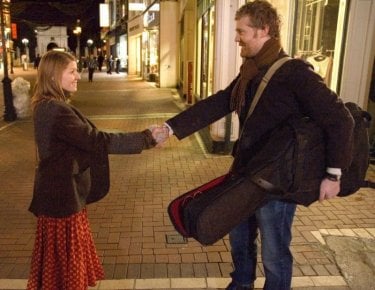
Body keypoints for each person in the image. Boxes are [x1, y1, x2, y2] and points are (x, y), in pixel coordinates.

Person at [160, 1, 354, 289]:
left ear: (264, 30)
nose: (236, 37)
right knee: (240, 238)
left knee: (274, 252)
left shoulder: (295, 73)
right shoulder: (251, 70)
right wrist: (170, 127)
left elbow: (340, 118)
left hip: (276, 181)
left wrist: (333, 174)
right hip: (246, 174)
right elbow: (221, 102)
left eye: (241, 31)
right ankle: (241, 283)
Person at [26, 50, 165, 289]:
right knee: (65, 267)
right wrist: (145, 138)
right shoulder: (55, 110)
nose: (78, 76)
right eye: (71, 71)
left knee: (60, 265)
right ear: (53, 76)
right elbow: (98, 141)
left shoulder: (49, 106)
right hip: (62, 198)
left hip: (59, 194)